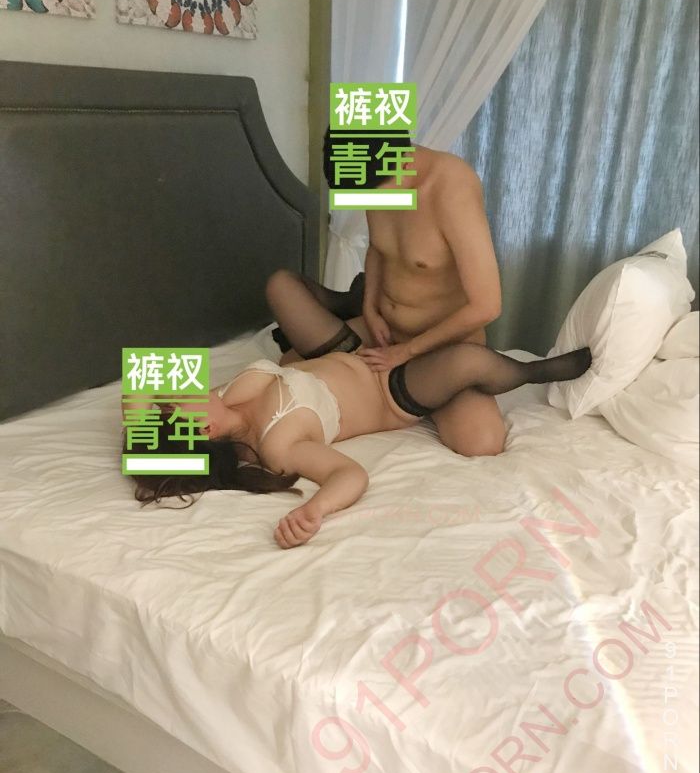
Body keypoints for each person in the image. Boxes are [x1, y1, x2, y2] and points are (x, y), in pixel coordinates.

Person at [125, 277, 591, 550]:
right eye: (174, 402)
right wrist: (314, 509)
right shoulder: (278, 446)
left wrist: (149, 438)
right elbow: (350, 475)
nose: (174, 388)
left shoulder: (222, 397)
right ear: (203, 427)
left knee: (282, 284)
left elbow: (138, 376)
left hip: (354, 349)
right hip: (390, 390)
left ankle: (351, 302)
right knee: (467, 363)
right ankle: (534, 371)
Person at [269, 128, 507, 459]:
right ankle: (361, 321)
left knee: (482, 443)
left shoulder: (452, 186)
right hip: (383, 331)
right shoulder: (371, 174)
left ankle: (410, 385)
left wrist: (406, 352)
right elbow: (379, 249)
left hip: (441, 344)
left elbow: (487, 306)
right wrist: (370, 309)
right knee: (287, 364)